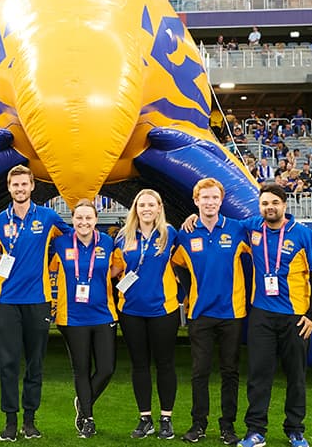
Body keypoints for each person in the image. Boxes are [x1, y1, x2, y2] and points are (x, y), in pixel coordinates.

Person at [0, 165, 70, 441]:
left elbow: (74, 240)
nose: (20, 189)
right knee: (8, 363)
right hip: (6, 301)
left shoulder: (48, 218)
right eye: (15, 185)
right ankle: (10, 421)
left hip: (38, 300)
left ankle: (30, 420)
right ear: (9, 188)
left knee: (36, 363)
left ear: (32, 186)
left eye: (24, 184)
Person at [238, 183, 312, 447]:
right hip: (262, 316)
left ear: (284, 205)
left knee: (296, 376)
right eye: (264, 203)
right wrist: (197, 215)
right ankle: (256, 431)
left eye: (274, 202)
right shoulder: (252, 227)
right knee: (259, 375)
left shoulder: (304, 234)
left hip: (295, 318)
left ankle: (295, 429)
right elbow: (221, 222)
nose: (269, 207)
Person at [172, 178, 249, 445]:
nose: (210, 202)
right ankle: (198, 424)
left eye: (214, 198)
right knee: (199, 371)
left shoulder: (238, 229)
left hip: (232, 313)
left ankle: (228, 426)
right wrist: (188, 292)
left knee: (230, 372)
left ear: (221, 200)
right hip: (200, 313)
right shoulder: (185, 233)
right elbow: (177, 264)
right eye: (204, 198)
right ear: (196, 201)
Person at [49, 199, 122, 438]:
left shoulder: (108, 242)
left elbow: (116, 269)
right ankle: (88, 418)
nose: (84, 222)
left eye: (88, 218)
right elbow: (48, 268)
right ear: (73, 219)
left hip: (103, 314)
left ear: (96, 220)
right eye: (79, 218)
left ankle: (82, 402)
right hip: (72, 317)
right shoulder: (60, 243)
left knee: (106, 368)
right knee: (81, 369)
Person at [115, 189, 180, 440]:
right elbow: (115, 268)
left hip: (163, 310)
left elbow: (186, 261)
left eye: (151, 205)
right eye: (142, 205)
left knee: (165, 364)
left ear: (159, 207)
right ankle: (145, 418)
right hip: (130, 310)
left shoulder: (170, 234)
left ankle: (166, 418)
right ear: (135, 208)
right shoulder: (123, 236)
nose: (146, 209)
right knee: (139, 365)